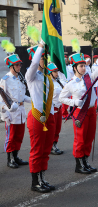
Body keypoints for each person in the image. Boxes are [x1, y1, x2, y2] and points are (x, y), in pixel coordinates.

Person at [60, 51, 98, 174]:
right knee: (80, 139)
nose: (83, 68)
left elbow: (97, 72)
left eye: (84, 65)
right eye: (81, 66)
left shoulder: (89, 78)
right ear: (75, 68)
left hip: (92, 111)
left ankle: (85, 161)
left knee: (89, 137)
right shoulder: (70, 84)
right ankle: (79, 164)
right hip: (80, 113)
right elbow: (61, 98)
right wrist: (74, 102)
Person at [26, 42, 56, 193]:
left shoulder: (47, 77)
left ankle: (42, 178)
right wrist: (40, 48)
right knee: (37, 150)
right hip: (37, 117)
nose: (45, 60)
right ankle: (35, 182)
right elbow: (34, 63)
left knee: (46, 150)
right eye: (43, 58)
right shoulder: (30, 76)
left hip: (49, 116)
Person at [0, 49, 30, 169]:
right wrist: (4, 115)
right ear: (11, 66)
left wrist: (34, 100)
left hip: (21, 111)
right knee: (11, 137)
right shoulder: (5, 80)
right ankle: (10, 158)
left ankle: (16, 156)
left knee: (19, 136)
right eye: (17, 64)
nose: (19, 66)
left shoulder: (20, 78)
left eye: (20, 64)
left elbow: (23, 96)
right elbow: (1, 99)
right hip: (11, 112)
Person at [47, 63, 65, 155]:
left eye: (57, 71)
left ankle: (55, 145)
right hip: (52, 108)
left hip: (59, 107)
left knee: (58, 128)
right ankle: (50, 146)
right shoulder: (47, 83)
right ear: (50, 72)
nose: (56, 73)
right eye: (54, 71)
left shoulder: (58, 81)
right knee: (52, 129)